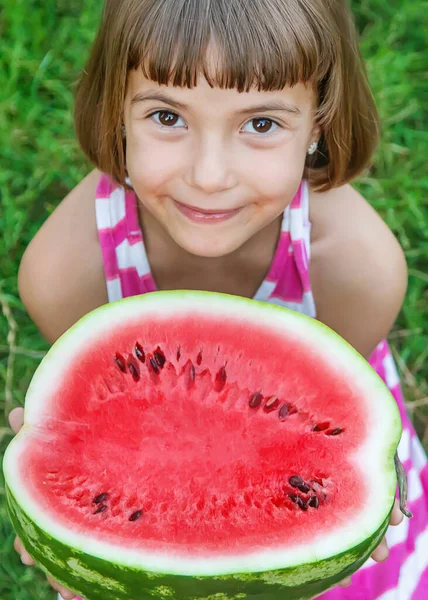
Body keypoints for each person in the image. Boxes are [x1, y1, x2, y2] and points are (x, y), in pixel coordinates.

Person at [8, 0, 428, 598]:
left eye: (260, 124)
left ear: (319, 125)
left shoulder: (355, 272)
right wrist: (74, 535)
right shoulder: (65, 275)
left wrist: (339, 515)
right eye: (167, 116)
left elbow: (333, 439)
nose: (209, 175)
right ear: (116, 112)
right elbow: (86, 431)